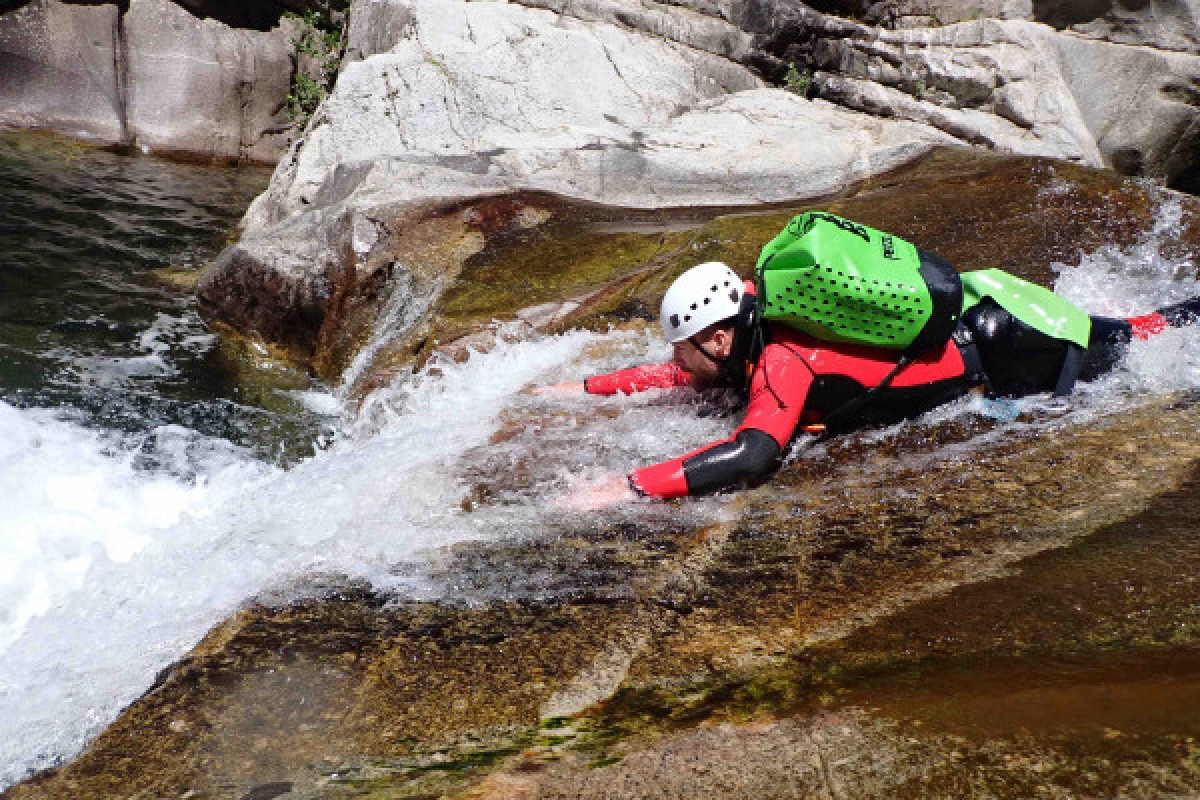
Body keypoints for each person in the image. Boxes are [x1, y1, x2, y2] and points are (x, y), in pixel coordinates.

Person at [535, 261, 1200, 507]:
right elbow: (679, 375)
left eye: (683, 345)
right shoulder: (757, 311)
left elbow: (754, 452)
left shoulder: (782, 362)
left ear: (717, 337)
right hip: (988, 302)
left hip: (1012, 345)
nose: (677, 361)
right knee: (1138, 329)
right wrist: (585, 390)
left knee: (1143, 343)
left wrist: (626, 486)